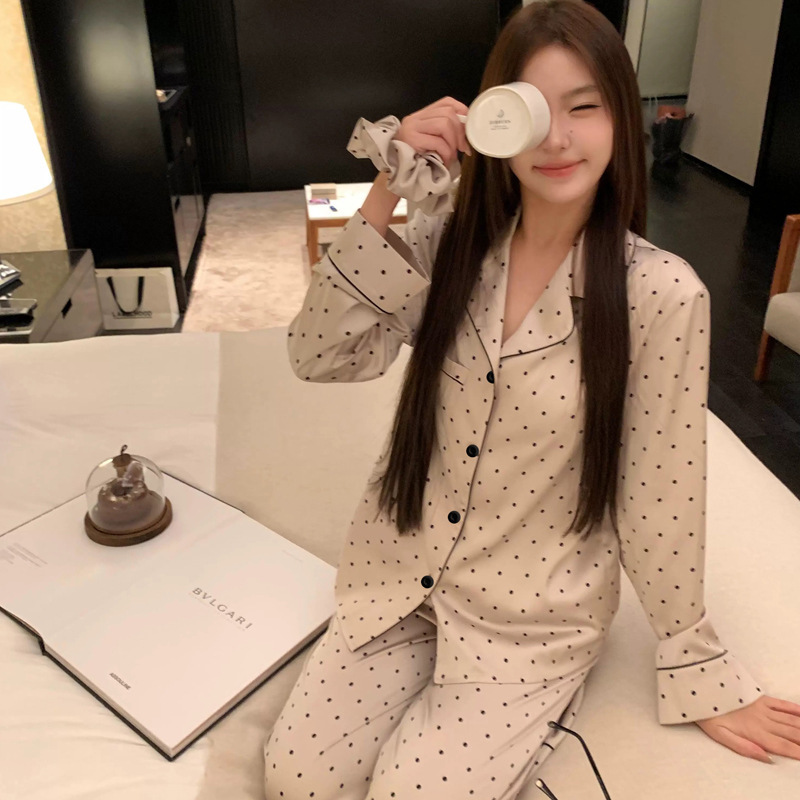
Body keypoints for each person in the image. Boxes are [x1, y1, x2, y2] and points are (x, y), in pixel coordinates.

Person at [265, 2, 800, 797]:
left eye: (584, 108)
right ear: (493, 123)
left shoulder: (661, 294)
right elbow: (319, 355)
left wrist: (696, 662)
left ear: (621, 121)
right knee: (296, 780)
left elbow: (660, 492)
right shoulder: (448, 245)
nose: (557, 138)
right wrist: (389, 181)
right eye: (533, 111)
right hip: (397, 578)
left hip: (527, 621)